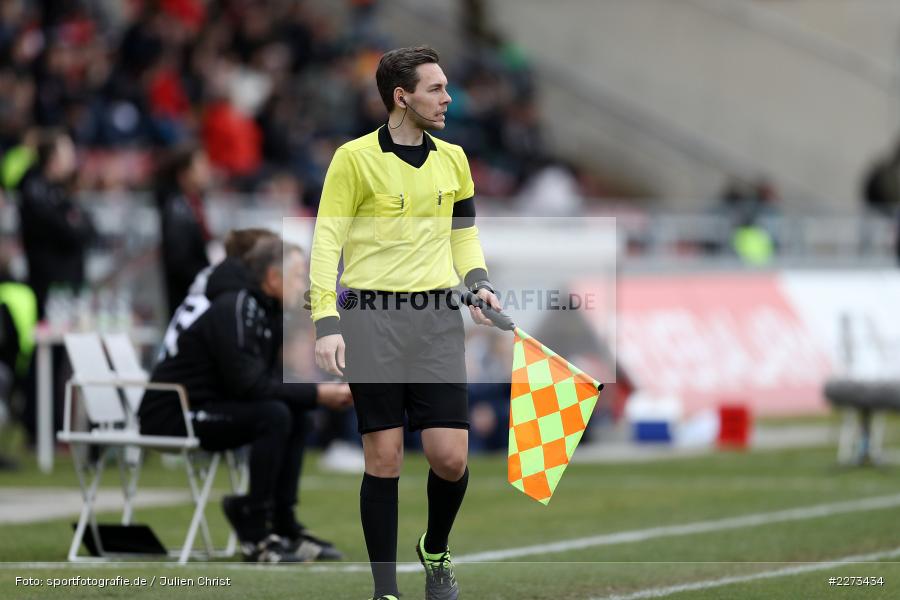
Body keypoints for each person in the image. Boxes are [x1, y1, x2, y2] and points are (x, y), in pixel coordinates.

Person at [310, 46, 501, 600]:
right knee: (385, 458)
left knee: (450, 458)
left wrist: (479, 281)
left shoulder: (455, 159)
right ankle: (385, 591)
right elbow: (326, 241)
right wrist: (325, 321)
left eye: (446, 87)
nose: (448, 98)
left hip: (437, 318)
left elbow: (464, 235)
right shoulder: (353, 158)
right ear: (402, 97)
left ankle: (435, 549)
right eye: (436, 89)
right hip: (370, 320)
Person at [139, 233, 353, 562]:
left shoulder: (263, 306)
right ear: (273, 277)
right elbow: (250, 386)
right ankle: (254, 528)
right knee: (275, 415)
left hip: (212, 405)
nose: (304, 286)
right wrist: (317, 393)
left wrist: (314, 394)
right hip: (173, 413)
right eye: (299, 277)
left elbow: (262, 382)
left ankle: (283, 525)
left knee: (295, 412)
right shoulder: (236, 305)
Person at [16, 130, 95, 317]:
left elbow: (89, 229)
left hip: (69, 283)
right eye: (68, 153)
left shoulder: (61, 190)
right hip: (48, 287)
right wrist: (74, 225)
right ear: (53, 157)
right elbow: (65, 230)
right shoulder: (34, 189)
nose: (72, 159)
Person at [155, 145, 214, 319]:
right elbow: (180, 263)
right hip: (185, 302)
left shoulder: (194, 205)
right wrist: (212, 277)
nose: (206, 170)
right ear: (184, 174)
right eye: (200, 165)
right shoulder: (177, 210)